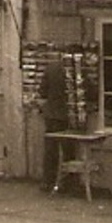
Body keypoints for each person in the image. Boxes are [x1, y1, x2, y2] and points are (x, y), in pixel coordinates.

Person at [38, 55, 70, 193]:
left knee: (51, 149)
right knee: (69, 149)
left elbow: (42, 91)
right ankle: (67, 182)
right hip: (68, 114)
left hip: (51, 114)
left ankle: (47, 181)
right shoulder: (78, 70)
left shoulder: (51, 68)